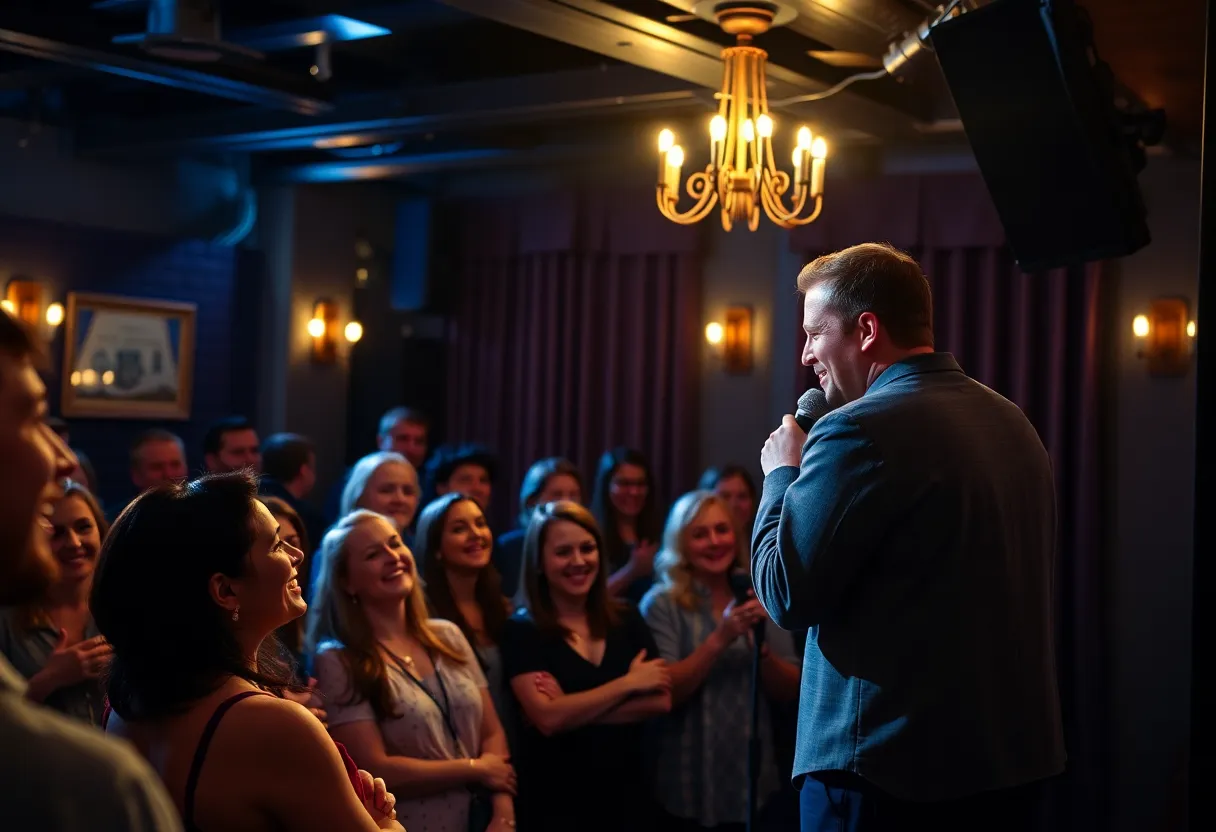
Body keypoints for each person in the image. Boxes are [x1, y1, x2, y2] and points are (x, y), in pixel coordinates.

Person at [752, 243, 1065, 831]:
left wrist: (781, 476)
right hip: (1006, 764)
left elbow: (784, 593)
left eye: (815, 334)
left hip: (883, 772)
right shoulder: (1011, 420)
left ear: (866, 329)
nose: (805, 354)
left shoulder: (857, 429)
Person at [92, 471, 401, 831]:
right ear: (225, 591)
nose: (297, 554)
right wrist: (382, 820)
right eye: (275, 545)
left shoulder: (124, 703)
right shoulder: (274, 725)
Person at [0, 307, 182, 830]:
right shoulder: (92, 793)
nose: (62, 459)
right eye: (34, 419)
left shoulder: (129, 609)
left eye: (84, 528)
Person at [308, 510, 516, 832]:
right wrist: (474, 769)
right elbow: (376, 767)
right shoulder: (339, 659)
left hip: (486, 820)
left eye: (395, 544)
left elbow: (493, 733)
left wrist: (503, 813)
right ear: (347, 581)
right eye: (373, 554)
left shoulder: (448, 634)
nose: (393, 557)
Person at [502, 501, 671, 832]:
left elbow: (660, 701)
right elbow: (548, 720)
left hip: (629, 798)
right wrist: (627, 685)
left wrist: (570, 707)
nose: (578, 561)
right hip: (556, 804)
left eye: (587, 548)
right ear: (538, 562)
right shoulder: (522, 629)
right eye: (563, 552)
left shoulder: (626, 616)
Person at [641, 491, 800, 831]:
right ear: (681, 543)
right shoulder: (661, 603)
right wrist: (721, 637)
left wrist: (762, 651)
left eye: (722, 530)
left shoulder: (761, 589)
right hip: (685, 773)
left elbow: (791, 689)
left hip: (751, 773)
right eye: (700, 534)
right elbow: (666, 690)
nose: (714, 542)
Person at [0, 482, 111, 725]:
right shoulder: (8, 619)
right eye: (57, 533)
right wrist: (49, 678)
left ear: (101, 532)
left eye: (83, 527)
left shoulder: (124, 606)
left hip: (125, 758)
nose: (74, 543)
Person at [494, 457, 584, 603]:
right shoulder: (509, 547)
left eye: (573, 495)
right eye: (557, 495)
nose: (567, 503)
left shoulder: (587, 543)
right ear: (531, 502)